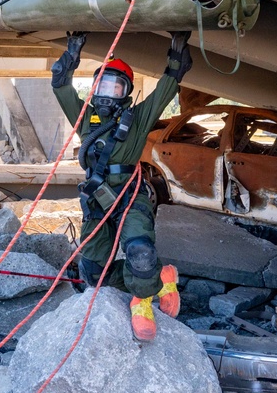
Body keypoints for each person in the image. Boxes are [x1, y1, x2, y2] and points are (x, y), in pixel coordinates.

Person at [51, 31, 194, 341]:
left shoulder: (137, 118)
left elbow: (165, 88)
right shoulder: (84, 117)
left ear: (125, 92)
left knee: (139, 251)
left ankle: (141, 303)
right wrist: (71, 53)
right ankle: (159, 279)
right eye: (102, 84)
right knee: (92, 274)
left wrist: (176, 52)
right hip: (96, 199)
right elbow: (60, 84)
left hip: (131, 195)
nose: (107, 90)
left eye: (115, 85)